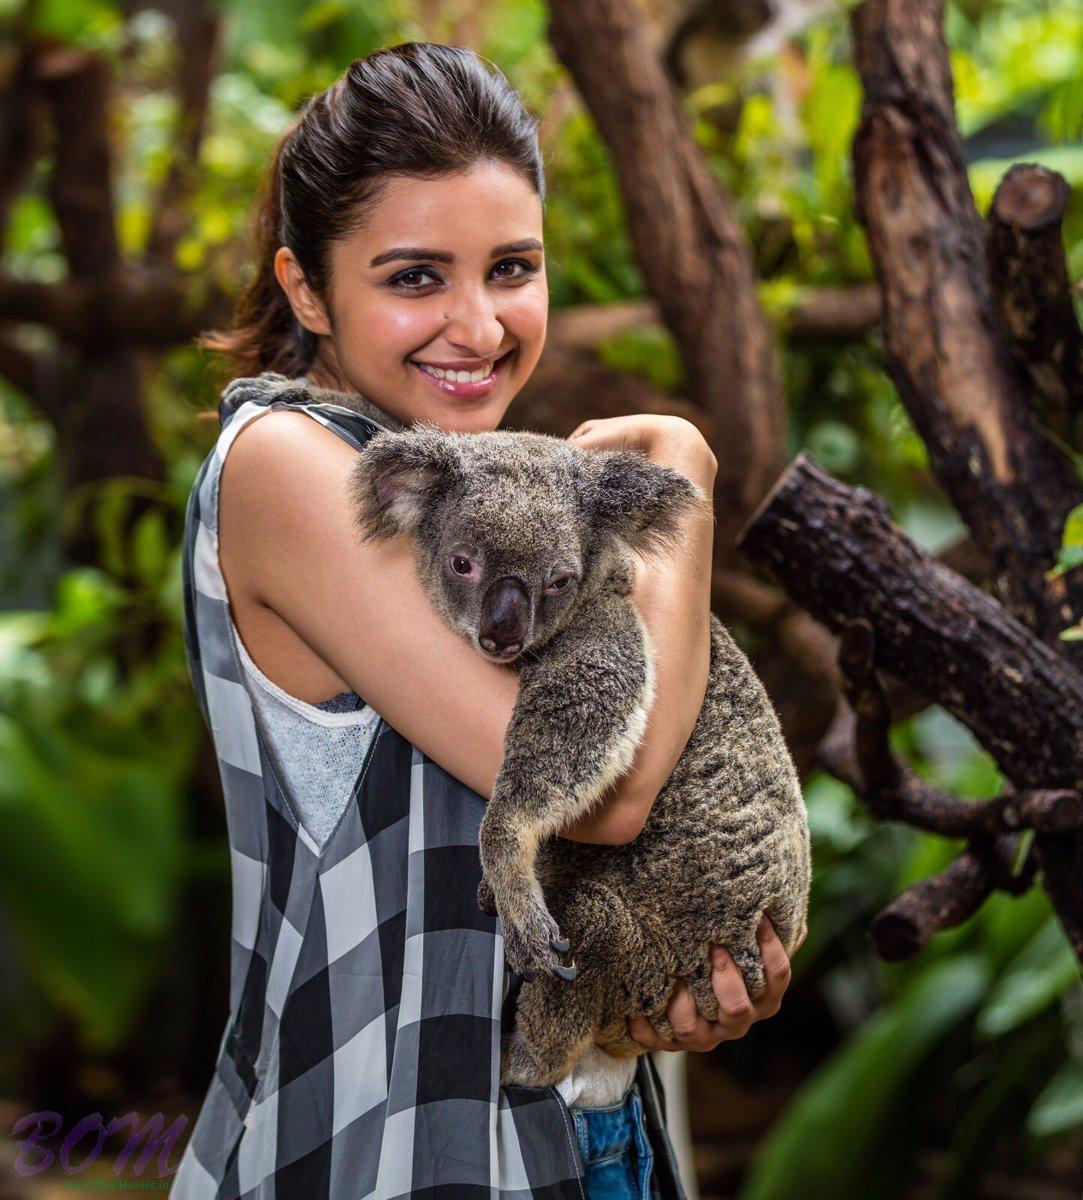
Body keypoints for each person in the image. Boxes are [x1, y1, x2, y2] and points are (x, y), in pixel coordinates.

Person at [170, 42, 792, 1200]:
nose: (478, 324)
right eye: (414, 277)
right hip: (396, 1144)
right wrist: (681, 466)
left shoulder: (483, 488)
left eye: (513, 267)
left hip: (575, 1129)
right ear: (306, 287)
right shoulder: (290, 468)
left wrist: (664, 972)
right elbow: (613, 793)